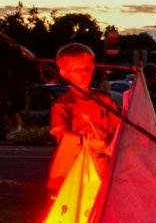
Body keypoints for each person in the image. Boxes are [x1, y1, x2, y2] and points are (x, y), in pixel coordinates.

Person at [47, 43, 112, 191]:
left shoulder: (104, 101)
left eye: (87, 68)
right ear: (64, 73)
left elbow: (119, 128)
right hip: (73, 168)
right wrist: (92, 142)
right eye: (78, 69)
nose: (84, 73)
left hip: (102, 167)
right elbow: (62, 134)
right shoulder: (63, 103)